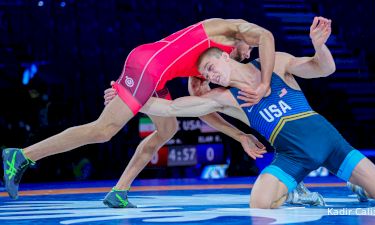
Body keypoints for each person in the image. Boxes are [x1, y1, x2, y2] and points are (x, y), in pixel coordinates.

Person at [132, 17, 375, 208]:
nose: (211, 76)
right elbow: (170, 107)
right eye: (206, 74)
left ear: (226, 57)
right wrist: (129, 97)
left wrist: (319, 45)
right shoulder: (223, 98)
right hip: (292, 157)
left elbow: (323, 69)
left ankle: (357, 184)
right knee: (259, 203)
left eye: (211, 66)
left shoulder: (276, 63)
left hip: (329, 142)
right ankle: (295, 191)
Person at [2, 18, 275, 203]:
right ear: (243, 38)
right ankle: (22, 156)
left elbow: (203, 110)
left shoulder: (208, 70)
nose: (248, 53)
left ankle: (119, 192)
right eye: (248, 48)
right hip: (148, 65)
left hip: (154, 74)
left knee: (168, 128)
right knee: (104, 130)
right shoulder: (227, 29)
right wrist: (264, 84)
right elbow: (265, 35)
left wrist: (239, 136)